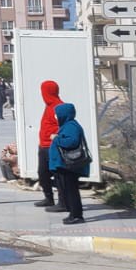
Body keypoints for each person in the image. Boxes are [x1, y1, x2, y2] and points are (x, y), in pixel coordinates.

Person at [48, 101, 89, 224]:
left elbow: (72, 142)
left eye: (57, 114)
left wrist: (56, 138)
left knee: (71, 191)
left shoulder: (71, 126)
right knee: (68, 190)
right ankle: (73, 213)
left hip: (69, 165)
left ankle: (76, 215)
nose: (56, 116)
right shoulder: (67, 125)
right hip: (65, 165)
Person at [35, 80, 64, 209]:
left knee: (58, 175)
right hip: (43, 146)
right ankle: (48, 197)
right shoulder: (48, 106)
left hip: (53, 147)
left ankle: (63, 201)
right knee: (42, 173)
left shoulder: (59, 107)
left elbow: (63, 126)